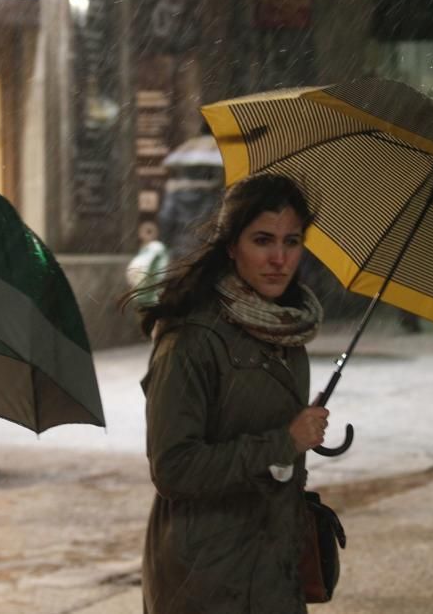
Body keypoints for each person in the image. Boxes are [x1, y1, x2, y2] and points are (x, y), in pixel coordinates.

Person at [127, 174, 330, 613]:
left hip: (273, 572)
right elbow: (173, 468)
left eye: (292, 241)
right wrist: (284, 442)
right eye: (262, 240)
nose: (279, 258)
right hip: (206, 581)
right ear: (231, 246)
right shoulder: (191, 340)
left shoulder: (287, 332)